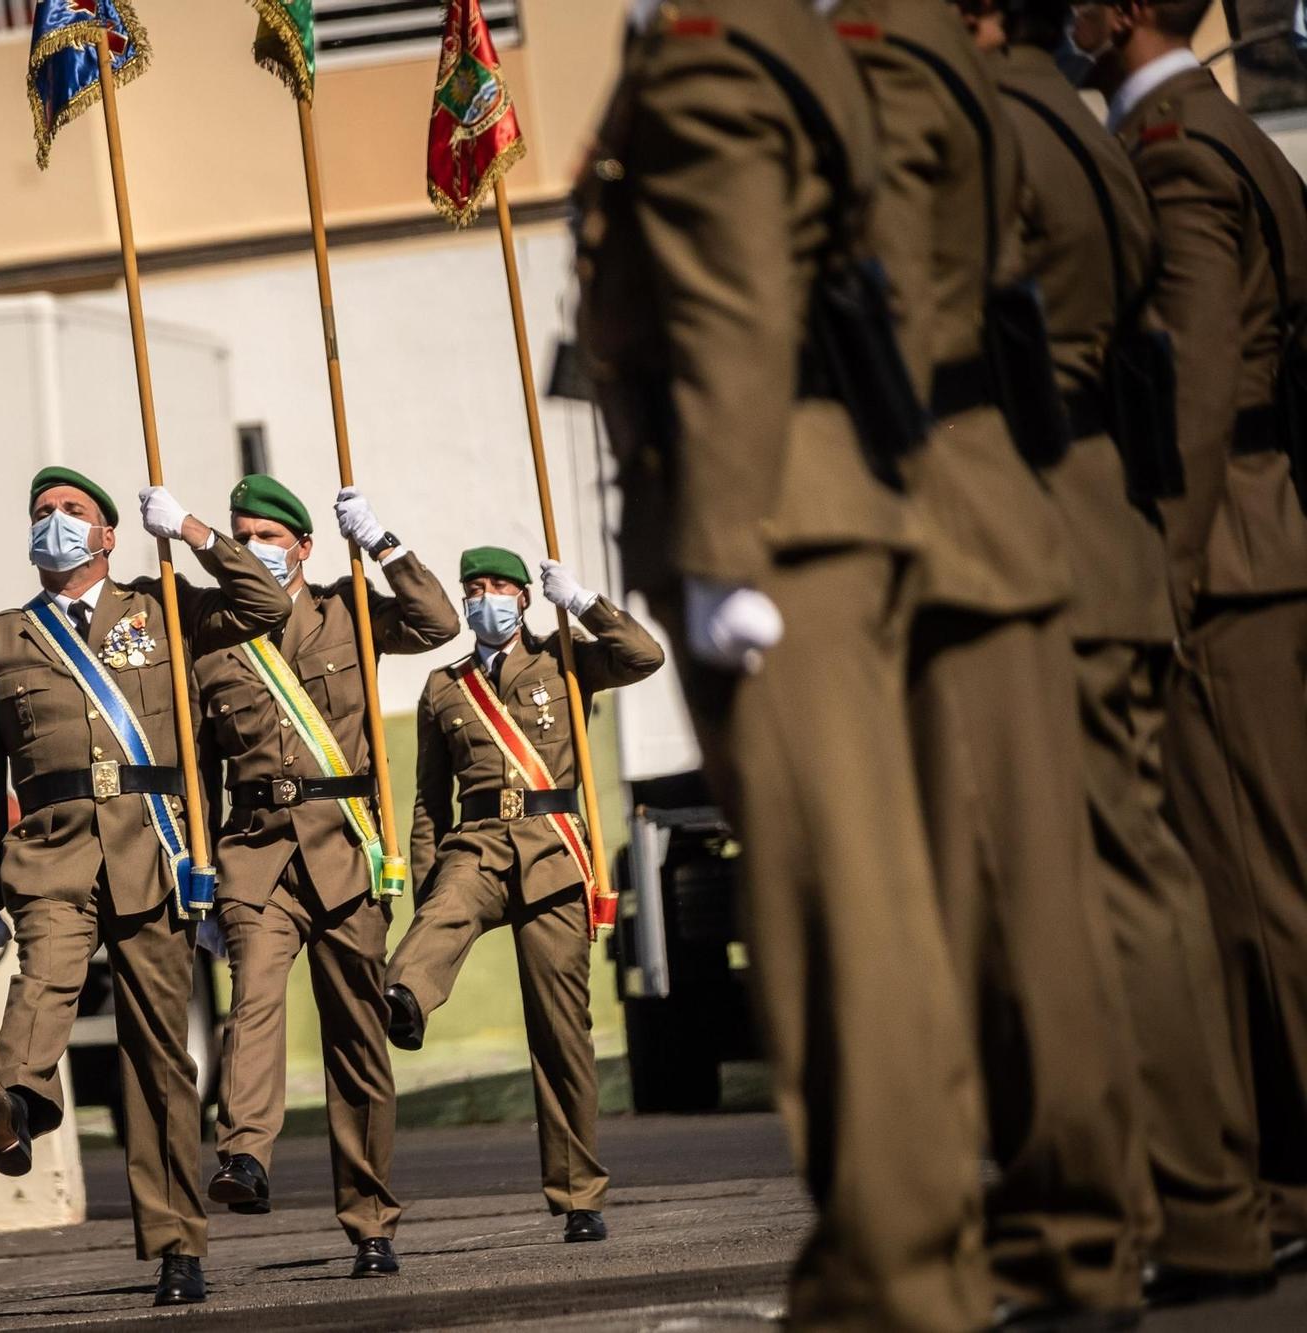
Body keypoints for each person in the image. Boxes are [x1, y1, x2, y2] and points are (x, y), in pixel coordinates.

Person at [576, 4, 994, 1327]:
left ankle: (899, 1272)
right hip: (822, 501)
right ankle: (908, 1250)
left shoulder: (705, 42)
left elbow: (733, 285)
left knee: (834, 922)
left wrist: (719, 547)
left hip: (770, 522)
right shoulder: (809, 35)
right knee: (874, 905)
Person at [835, 1, 1150, 1320]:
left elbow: (896, 287)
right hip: (1001, 505)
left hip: (939, 516)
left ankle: (1067, 1239)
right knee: (1055, 890)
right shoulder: (983, 82)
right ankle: (1081, 1231)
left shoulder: (886, 56)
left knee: (1005, 910)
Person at [971, 0, 1274, 1301]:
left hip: (1068, 527)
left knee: (1125, 888)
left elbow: (1188, 375)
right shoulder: (1101, 131)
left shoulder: (1034, 128)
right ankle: (1214, 1200)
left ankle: (1136, 1213)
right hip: (1119, 526)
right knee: (1159, 878)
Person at [0, 467, 290, 1308]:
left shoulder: (161, 606)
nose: (54, 523)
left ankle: (177, 1241)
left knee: (159, 1056)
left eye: (72, 513)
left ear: (107, 536)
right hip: (52, 853)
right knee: (44, 981)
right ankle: (19, 1102)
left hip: (155, 850)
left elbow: (267, 608)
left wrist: (194, 534)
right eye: (41, 513)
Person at [1087, 0, 1307, 1280]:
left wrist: (1156, 586)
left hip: (1220, 557)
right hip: (1260, 539)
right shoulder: (1232, 134)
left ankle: (1285, 1171)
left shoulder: (1172, 151)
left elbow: (1195, 387)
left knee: (1250, 894)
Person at [193, 474, 456, 1278]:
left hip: (345, 847)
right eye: (240, 539)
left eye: (267, 538)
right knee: (254, 1002)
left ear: (303, 546)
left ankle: (371, 1217)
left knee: (356, 1041)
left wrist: (383, 542)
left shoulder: (349, 609)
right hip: (257, 850)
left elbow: (437, 622)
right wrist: (202, 872)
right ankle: (245, 1156)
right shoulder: (207, 635)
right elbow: (202, 772)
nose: (253, 550)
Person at [382, 545, 660, 1246]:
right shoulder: (443, 686)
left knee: (561, 1031)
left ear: (523, 599)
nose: (485, 600)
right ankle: (404, 1001)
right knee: (443, 913)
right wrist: (429, 878)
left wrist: (585, 603)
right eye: (473, 589)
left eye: (499, 588)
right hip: (477, 842)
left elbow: (644, 655)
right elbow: (428, 802)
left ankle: (578, 1195)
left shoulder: (564, 660)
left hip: (552, 851)